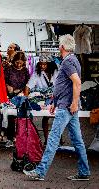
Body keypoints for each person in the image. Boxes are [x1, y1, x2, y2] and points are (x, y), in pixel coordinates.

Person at [23, 34, 90, 181]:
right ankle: (84, 172)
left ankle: (40, 172)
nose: (58, 47)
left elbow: (76, 82)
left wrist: (72, 102)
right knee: (77, 141)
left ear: (62, 47)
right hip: (67, 105)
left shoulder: (67, 62)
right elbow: (66, 85)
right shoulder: (73, 60)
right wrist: (56, 102)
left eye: (59, 45)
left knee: (53, 139)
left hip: (66, 106)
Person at [24, 55, 58, 145]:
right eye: (41, 64)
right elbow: (28, 87)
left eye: (45, 64)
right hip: (43, 99)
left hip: (56, 97)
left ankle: (58, 139)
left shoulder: (56, 72)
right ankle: (47, 140)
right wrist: (25, 99)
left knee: (58, 118)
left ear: (49, 65)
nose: (42, 66)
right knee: (46, 117)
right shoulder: (36, 74)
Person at [4, 51, 30, 148]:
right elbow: (3, 81)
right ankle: (10, 139)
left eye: (21, 63)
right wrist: (8, 86)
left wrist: (23, 92)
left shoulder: (25, 70)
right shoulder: (9, 69)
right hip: (10, 96)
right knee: (11, 117)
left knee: (22, 117)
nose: (19, 64)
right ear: (13, 61)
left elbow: (28, 83)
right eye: (17, 62)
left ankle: (20, 139)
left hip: (21, 95)